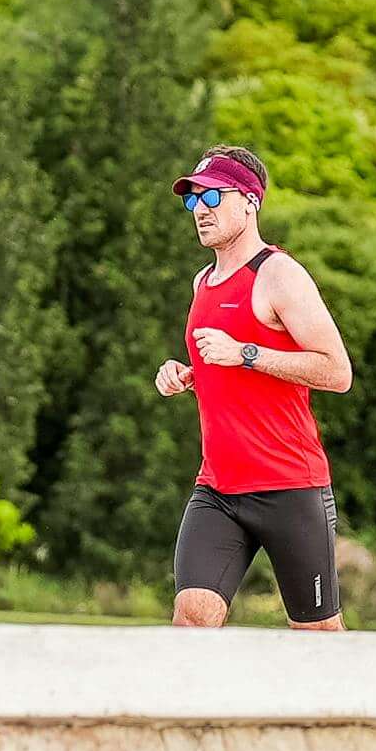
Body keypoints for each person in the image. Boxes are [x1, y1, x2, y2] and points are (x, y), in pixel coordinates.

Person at [152, 146, 356, 629]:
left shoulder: (279, 274)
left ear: (250, 201)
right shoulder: (202, 281)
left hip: (290, 486)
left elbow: (337, 372)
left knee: (317, 634)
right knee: (191, 620)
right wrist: (189, 377)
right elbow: (226, 375)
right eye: (193, 200)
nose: (200, 210)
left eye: (213, 197)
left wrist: (245, 352)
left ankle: (354, 706)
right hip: (218, 488)